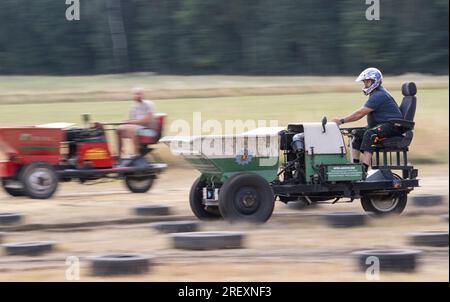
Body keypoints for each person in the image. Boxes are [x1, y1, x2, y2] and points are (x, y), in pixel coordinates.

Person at [332, 67, 403, 172]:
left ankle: (364, 169)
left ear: (375, 81)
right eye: (364, 81)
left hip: (392, 126)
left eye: (367, 81)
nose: (364, 84)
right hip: (383, 125)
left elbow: (360, 113)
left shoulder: (379, 95)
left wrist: (341, 121)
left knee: (369, 134)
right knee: (356, 133)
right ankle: (354, 167)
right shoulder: (375, 93)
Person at [117, 87, 157, 158]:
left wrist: (130, 122)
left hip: (149, 129)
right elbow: (132, 121)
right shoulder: (132, 108)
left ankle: (136, 153)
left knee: (132, 128)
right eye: (135, 94)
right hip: (137, 128)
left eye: (139, 94)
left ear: (143, 94)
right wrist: (127, 122)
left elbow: (146, 120)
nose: (137, 96)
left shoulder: (148, 104)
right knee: (119, 129)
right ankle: (120, 154)